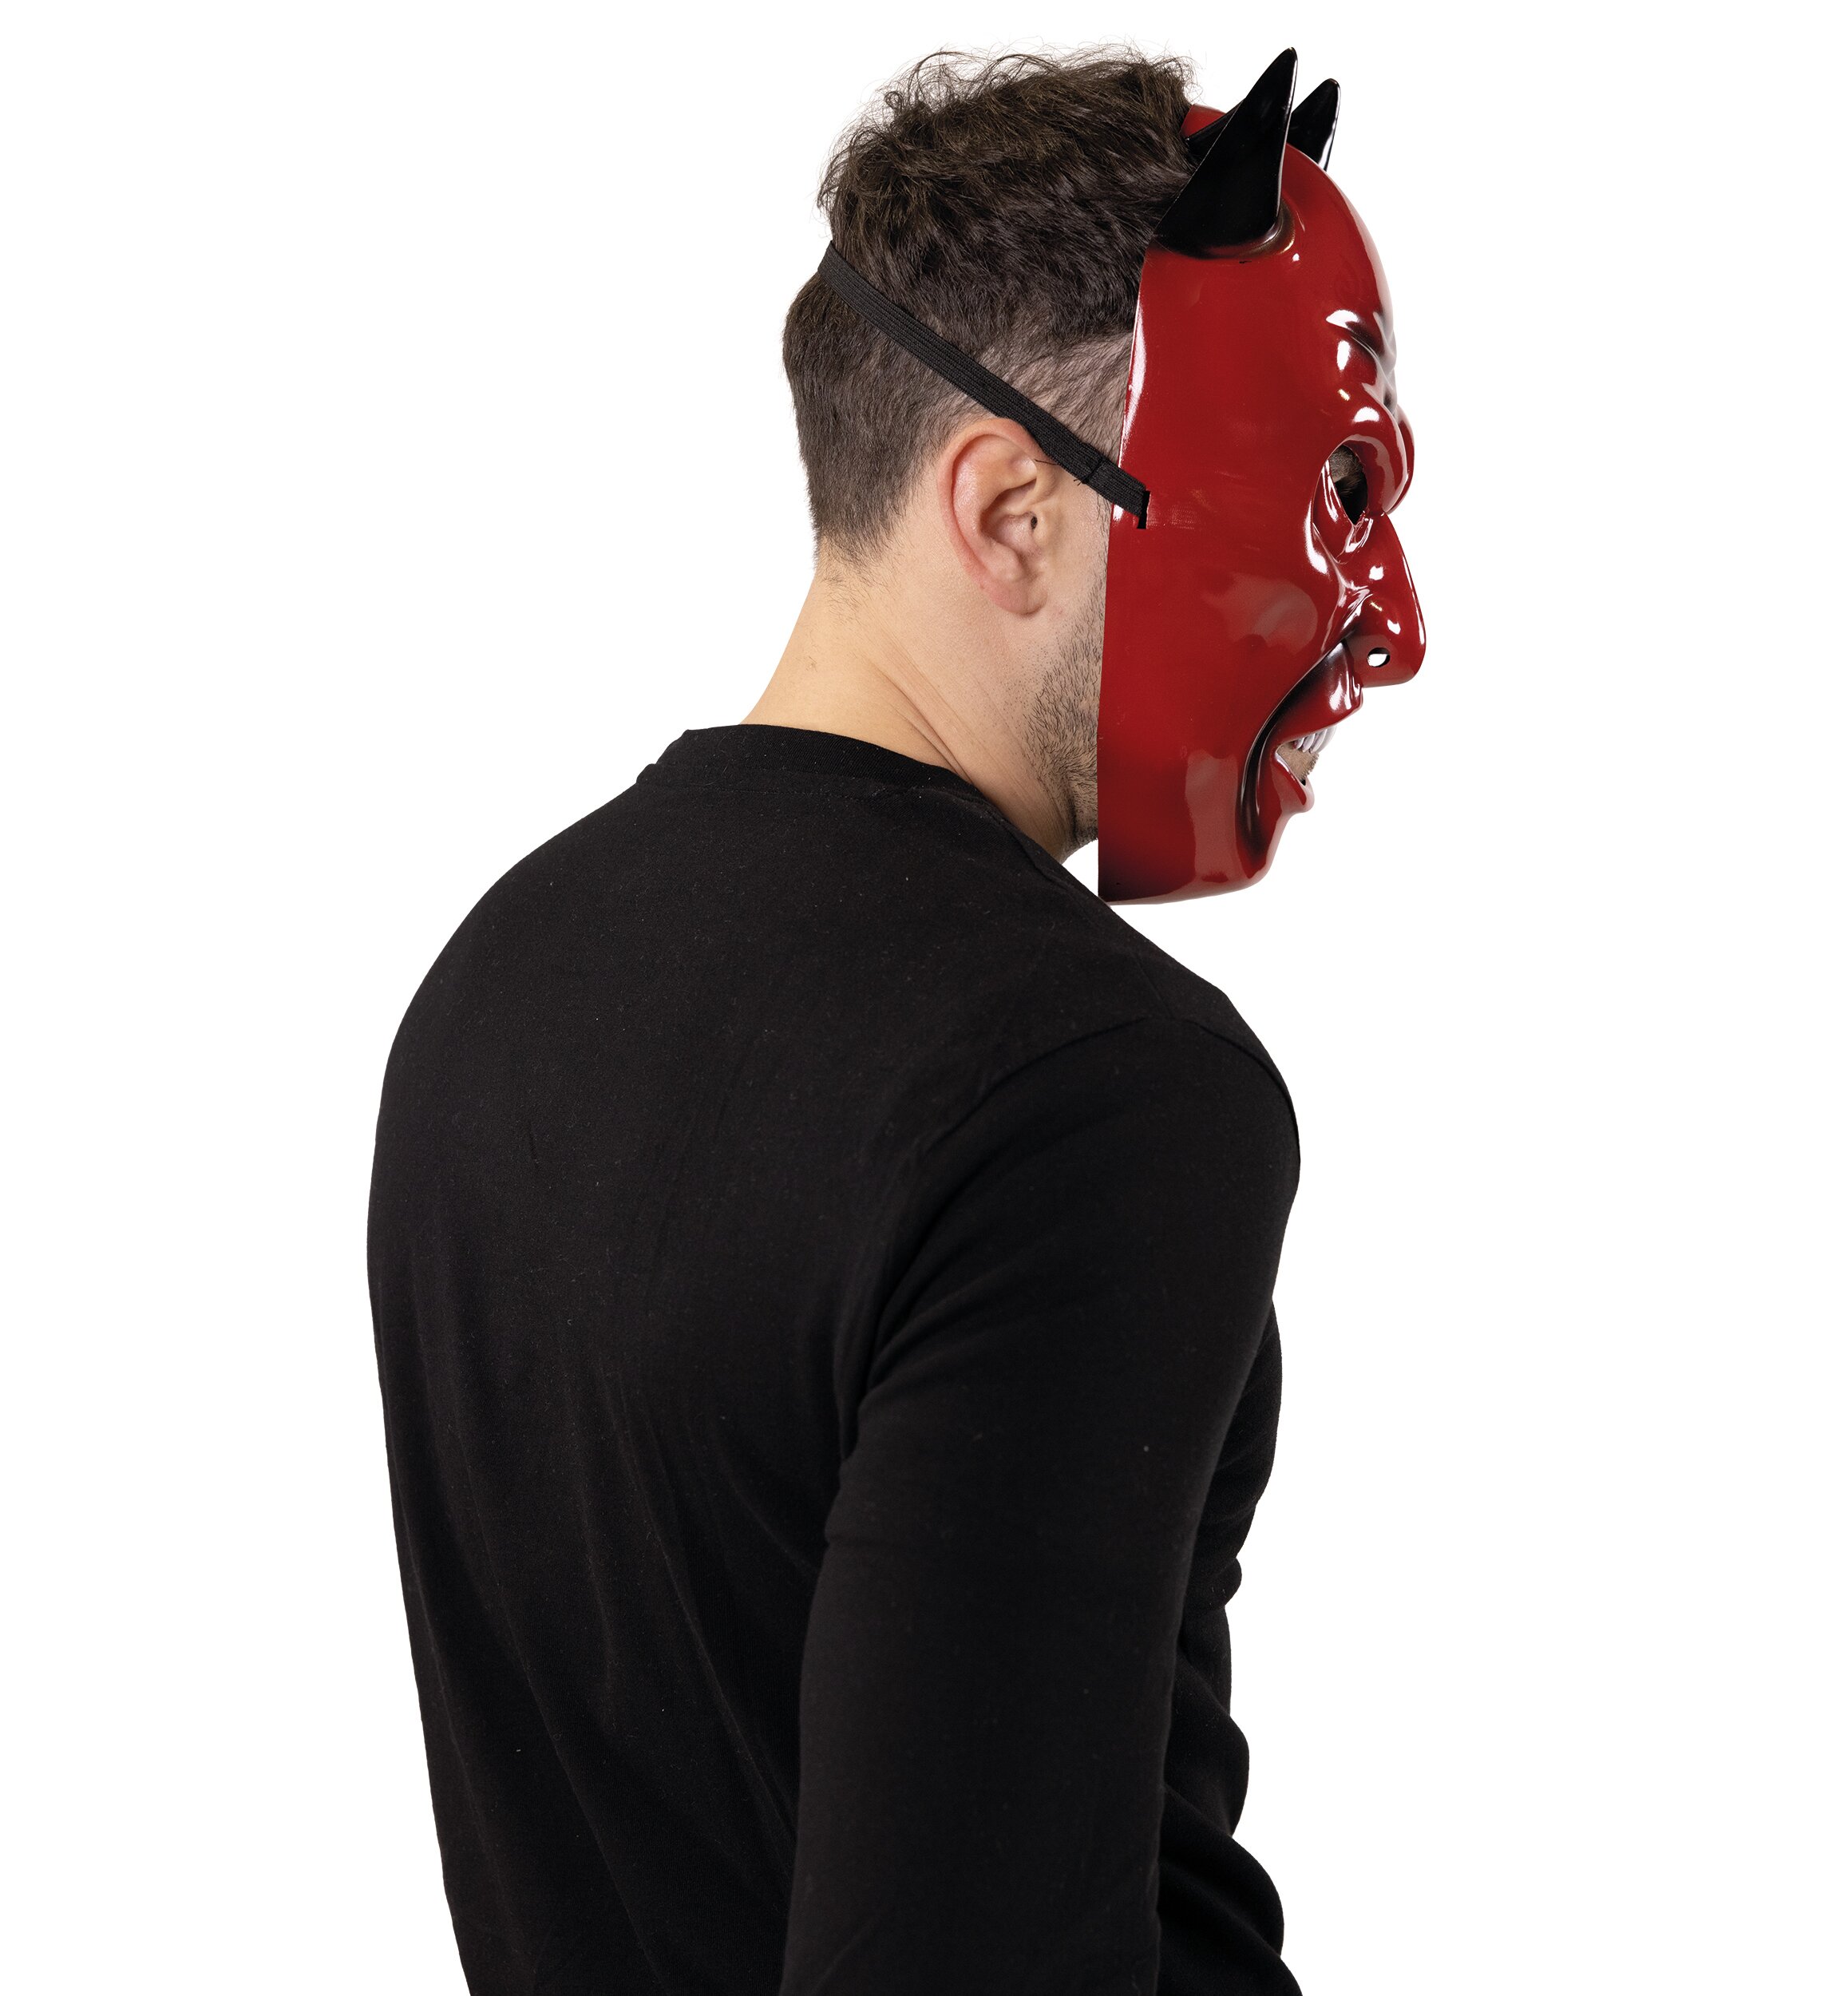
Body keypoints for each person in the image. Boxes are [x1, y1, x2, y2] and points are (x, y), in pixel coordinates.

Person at [368, 45, 1423, 1995]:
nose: (1391, 620)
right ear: (1010, 509)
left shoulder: (498, 975)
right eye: (1324, 496)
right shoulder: (1092, 1087)